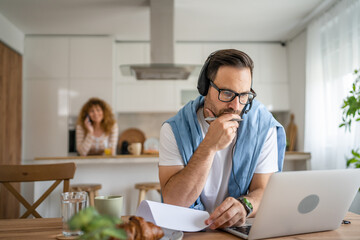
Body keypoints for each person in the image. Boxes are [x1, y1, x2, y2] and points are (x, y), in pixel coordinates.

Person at [159, 49, 286, 230]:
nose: (236, 106)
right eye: (227, 93)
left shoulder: (264, 127)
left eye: (243, 95)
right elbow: (174, 203)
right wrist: (209, 145)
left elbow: (264, 191)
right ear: (205, 88)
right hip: (188, 232)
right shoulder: (173, 129)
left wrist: (245, 205)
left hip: (238, 231)